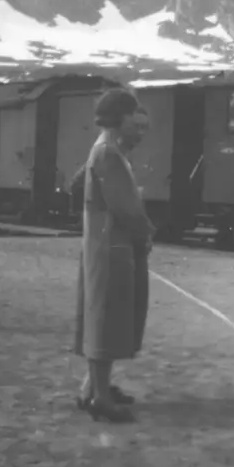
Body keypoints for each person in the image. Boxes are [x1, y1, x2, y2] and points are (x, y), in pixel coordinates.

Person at [74, 89, 154, 424]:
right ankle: (101, 398)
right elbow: (126, 208)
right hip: (112, 248)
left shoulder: (106, 150)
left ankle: (92, 388)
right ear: (120, 118)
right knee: (105, 319)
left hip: (106, 245)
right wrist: (146, 231)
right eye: (135, 120)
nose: (139, 128)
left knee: (103, 316)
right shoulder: (109, 153)